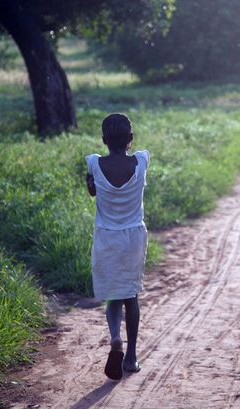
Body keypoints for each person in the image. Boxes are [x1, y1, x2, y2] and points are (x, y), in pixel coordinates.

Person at [86, 113, 150, 380]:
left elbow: (92, 190)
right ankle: (132, 356)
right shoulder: (141, 161)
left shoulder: (94, 163)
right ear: (130, 140)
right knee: (131, 296)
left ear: (103, 140)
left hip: (107, 237)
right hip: (133, 237)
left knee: (113, 295)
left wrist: (92, 181)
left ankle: (115, 338)